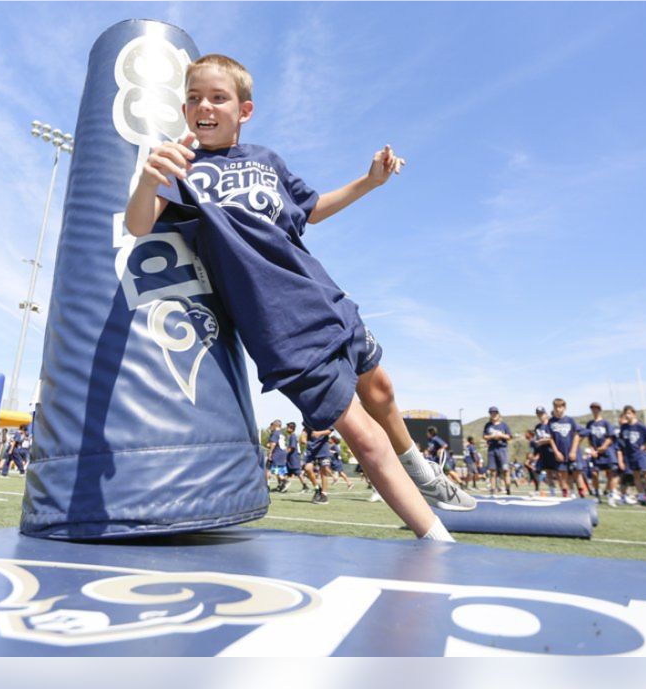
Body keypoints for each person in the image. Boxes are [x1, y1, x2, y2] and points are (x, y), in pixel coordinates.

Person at [124, 54, 468, 541]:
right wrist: (147, 177)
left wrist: (369, 182)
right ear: (184, 110)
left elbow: (311, 210)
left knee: (383, 390)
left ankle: (422, 471)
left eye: (218, 97)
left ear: (244, 110)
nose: (204, 106)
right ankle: (438, 542)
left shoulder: (268, 160)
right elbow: (137, 224)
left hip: (323, 296)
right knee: (363, 438)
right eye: (195, 98)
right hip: (280, 327)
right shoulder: (181, 168)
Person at [616, 405, 646, 506]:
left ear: (634, 414)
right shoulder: (624, 427)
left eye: (629, 413)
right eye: (625, 414)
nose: (627, 416)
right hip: (630, 455)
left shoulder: (640, 426)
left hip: (641, 454)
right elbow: (622, 440)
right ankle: (641, 496)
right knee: (636, 475)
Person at [547, 398, 585, 498]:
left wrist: (573, 450)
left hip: (572, 451)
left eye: (560, 407)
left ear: (565, 407)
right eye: (556, 407)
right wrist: (556, 452)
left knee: (577, 472)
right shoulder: (551, 422)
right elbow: (550, 438)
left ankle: (581, 494)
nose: (558, 409)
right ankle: (566, 494)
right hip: (560, 452)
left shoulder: (570, 420)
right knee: (562, 474)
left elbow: (577, 435)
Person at [586, 403, 618, 505]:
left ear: (600, 410)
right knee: (594, 473)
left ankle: (611, 495)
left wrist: (604, 447)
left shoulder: (606, 423)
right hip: (596, 453)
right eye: (593, 409)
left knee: (610, 474)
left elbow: (610, 437)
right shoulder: (590, 424)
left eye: (597, 409)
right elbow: (589, 439)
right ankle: (596, 495)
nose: (595, 410)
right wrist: (592, 450)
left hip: (607, 452)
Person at [482, 407, 512, 495]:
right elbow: (484, 436)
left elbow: (509, 436)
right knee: (493, 471)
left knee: (505, 470)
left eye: (495, 413)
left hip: (502, 449)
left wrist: (501, 435)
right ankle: (493, 489)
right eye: (491, 413)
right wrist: (492, 436)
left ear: (498, 414)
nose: (493, 414)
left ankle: (508, 490)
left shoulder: (504, 425)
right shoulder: (488, 425)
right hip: (492, 449)